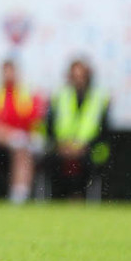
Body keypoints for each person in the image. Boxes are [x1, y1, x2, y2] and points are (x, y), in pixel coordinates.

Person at [44, 58, 110, 199]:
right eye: (75, 76)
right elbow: (49, 125)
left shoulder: (99, 98)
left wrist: (84, 146)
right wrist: (61, 144)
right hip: (62, 147)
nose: (78, 80)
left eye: (82, 76)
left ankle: (78, 196)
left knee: (87, 163)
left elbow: (103, 130)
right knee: (51, 161)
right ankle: (58, 198)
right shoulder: (60, 96)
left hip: (90, 148)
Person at [0, 59, 46, 203]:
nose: (9, 75)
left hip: (23, 138)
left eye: (11, 71)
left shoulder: (27, 93)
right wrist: (11, 135)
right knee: (15, 141)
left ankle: (19, 192)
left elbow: (35, 119)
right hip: (0, 138)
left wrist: (31, 135)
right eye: (6, 71)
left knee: (22, 149)